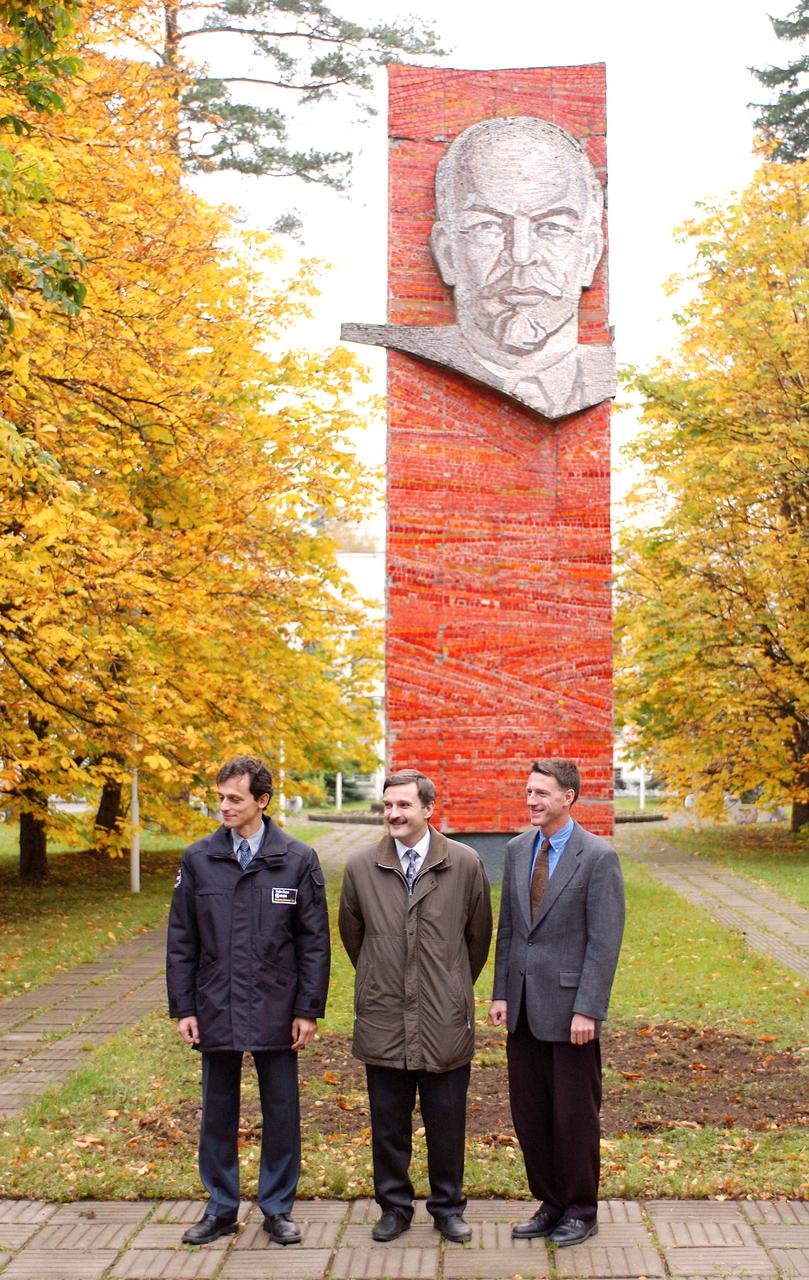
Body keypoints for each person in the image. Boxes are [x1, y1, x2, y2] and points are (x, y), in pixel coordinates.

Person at [342, 116, 615, 420]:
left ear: (590, 254)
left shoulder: (602, 374)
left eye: (552, 227)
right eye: (488, 226)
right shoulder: (421, 363)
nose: (520, 254)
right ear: (447, 253)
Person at [166, 755, 329, 1247]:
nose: (224, 807)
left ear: (262, 801)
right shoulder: (199, 859)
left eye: (235, 798)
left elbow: (314, 943)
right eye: (219, 797)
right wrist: (184, 1008)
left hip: (277, 1006)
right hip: (215, 1002)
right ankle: (220, 1208)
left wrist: (307, 1009)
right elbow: (181, 941)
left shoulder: (297, 859)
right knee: (217, 1110)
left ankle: (278, 1209)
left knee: (281, 1109)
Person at [339, 769, 492, 1244]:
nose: (394, 814)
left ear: (428, 808)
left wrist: (446, 986)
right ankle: (394, 1207)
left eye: (404, 805)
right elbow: (353, 937)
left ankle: (448, 1208)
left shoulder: (465, 863)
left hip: (443, 1017)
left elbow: (478, 938)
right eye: (387, 806)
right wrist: (382, 977)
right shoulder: (361, 867)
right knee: (388, 1122)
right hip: (383, 1012)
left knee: (447, 1120)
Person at [489, 759, 624, 1247]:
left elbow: (604, 942)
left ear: (568, 796)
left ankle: (581, 1210)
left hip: (572, 1014)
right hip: (522, 1009)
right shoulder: (516, 849)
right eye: (528, 791)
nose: (531, 800)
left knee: (573, 1116)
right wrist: (502, 992)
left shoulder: (598, 857)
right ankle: (550, 1202)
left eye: (541, 793)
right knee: (531, 1114)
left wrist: (589, 1007)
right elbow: (509, 930)